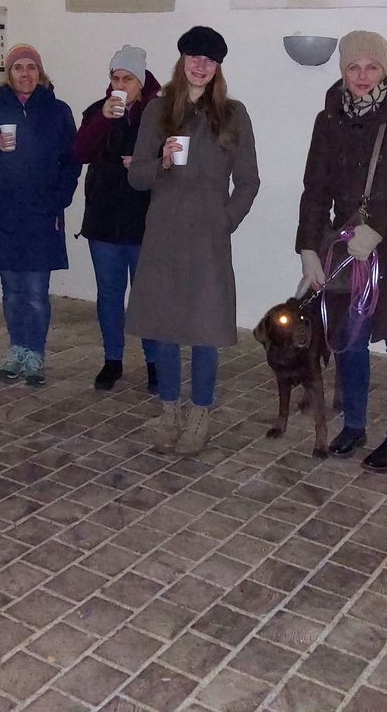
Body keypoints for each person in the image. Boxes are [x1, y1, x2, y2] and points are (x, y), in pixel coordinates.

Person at [295, 30, 387, 473]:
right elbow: (315, 188)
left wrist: (377, 230)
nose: (361, 75)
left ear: (385, 67)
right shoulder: (329, 117)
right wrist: (307, 247)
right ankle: (354, 424)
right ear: (342, 70)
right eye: (353, 67)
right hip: (345, 244)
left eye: (371, 66)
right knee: (349, 342)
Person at [127, 26, 259, 456]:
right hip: (163, 233)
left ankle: (200, 412)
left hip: (208, 238)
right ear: (182, 61)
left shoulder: (233, 114)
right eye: (193, 57)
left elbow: (249, 181)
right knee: (163, 328)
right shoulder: (158, 111)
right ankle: (169, 410)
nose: (200, 65)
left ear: (218, 67)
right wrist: (161, 163)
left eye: (209, 60)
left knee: (205, 330)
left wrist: (226, 220)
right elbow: (136, 176)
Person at [0, 44, 80, 387]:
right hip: (3, 211)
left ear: (40, 72)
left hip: (42, 212)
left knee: (35, 290)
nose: (26, 74)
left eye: (31, 67)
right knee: (12, 289)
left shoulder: (57, 111)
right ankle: (16, 349)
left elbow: (72, 159)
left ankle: (35, 354)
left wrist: (60, 198)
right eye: (19, 68)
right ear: (9, 73)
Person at [73, 44, 162, 392]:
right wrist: (101, 121)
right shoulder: (98, 111)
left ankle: (154, 362)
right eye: (115, 77)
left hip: (145, 219)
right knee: (109, 294)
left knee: (147, 295)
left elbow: (173, 161)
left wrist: (144, 166)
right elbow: (80, 152)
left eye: (128, 78)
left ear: (141, 81)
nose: (120, 84)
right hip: (104, 218)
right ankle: (113, 360)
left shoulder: (160, 113)